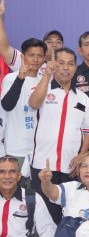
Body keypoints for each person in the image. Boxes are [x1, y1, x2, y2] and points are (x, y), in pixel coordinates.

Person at [28, 48, 89, 197]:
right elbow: (33, 103)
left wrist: (81, 156)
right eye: (61, 63)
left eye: (70, 64)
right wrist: (47, 75)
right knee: (43, 209)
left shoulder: (83, 98)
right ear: (53, 65)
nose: (66, 68)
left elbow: (88, 132)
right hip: (42, 165)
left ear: (75, 67)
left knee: (67, 208)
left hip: (70, 167)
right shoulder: (42, 89)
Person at [1, 38, 47, 167]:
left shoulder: (45, 82)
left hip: (39, 151)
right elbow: (7, 106)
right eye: (31, 55)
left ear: (44, 59)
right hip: (15, 149)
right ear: (23, 57)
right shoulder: (11, 78)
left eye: (40, 56)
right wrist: (20, 78)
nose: (36, 59)